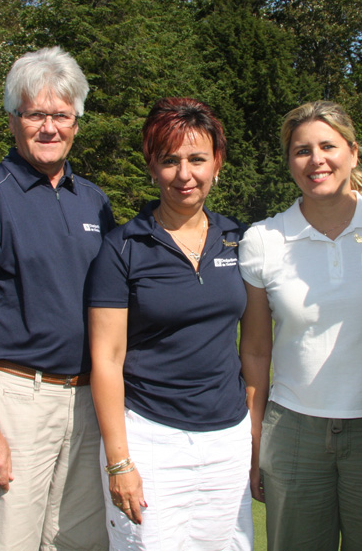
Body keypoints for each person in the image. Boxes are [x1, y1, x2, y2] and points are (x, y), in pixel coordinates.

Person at [0, 46, 113, 551]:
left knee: (77, 542)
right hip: (17, 399)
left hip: (87, 400)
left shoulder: (95, 202)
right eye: (36, 114)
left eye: (62, 115)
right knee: (8, 543)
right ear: (13, 120)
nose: (49, 127)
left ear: (77, 122)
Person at [238, 101, 362, 551]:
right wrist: (255, 440)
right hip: (293, 430)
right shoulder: (263, 240)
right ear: (289, 163)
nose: (316, 159)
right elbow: (256, 352)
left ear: (353, 153)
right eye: (301, 150)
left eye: (328, 146)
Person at [88, 97, 253, 550]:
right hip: (150, 437)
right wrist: (120, 462)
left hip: (228, 439)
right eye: (170, 160)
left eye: (197, 159)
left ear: (217, 163)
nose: (185, 174)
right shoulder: (122, 247)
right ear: (152, 166)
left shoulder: (239, 239)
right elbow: (107, 359)